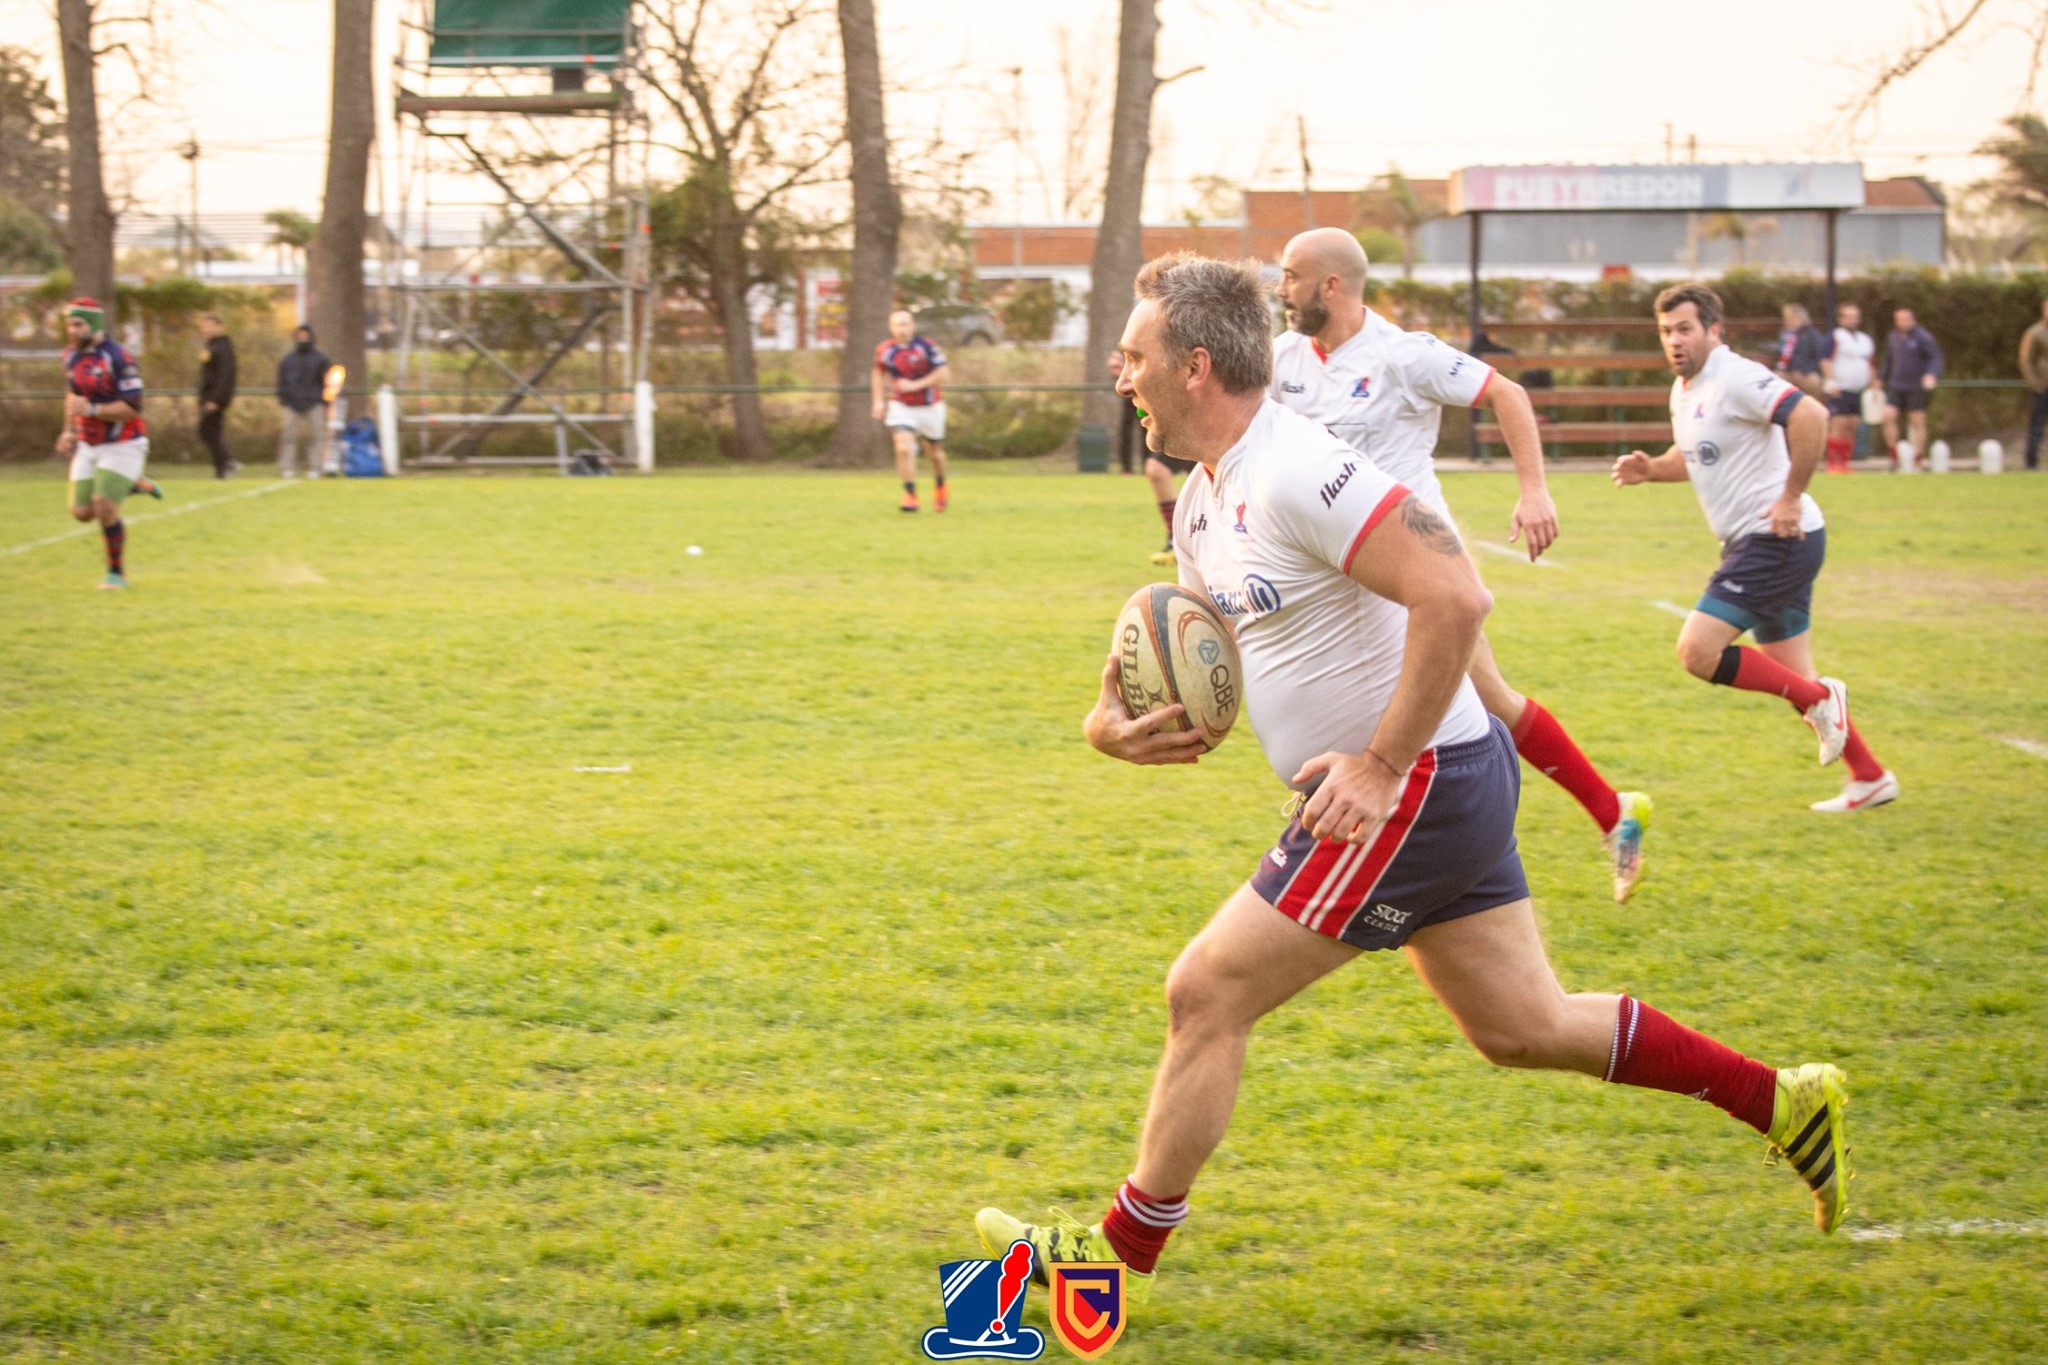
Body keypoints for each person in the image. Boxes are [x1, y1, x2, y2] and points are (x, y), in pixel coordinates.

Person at [975, 256, 1852, 1312]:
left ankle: (1110, 1263)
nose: (1120, 375)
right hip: (1438, 781)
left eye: (1133, 355)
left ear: (1194, 366)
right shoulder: (1204, 498)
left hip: (1413, 787)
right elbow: (1201, 638)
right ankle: (1782, 1101)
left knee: (1205, 990)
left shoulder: (1298, 465)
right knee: (1522, 1026)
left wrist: (1382, 764)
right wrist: (1106, 720)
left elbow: (1456, 595)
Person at [1268, 227, 1650, 902]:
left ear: (1332, 284)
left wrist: (1534, 491)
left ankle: (1603, 813)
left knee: (1487, 699)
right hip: (1332, 563)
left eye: (1291, 276)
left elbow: (1509, 394)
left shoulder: (1402, 354)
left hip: (1416, 563)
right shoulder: (1282, 359)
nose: (1281, 289)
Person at [1613, 283, 1897, 813]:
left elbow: (1810, 415)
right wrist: (1652, 469)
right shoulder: (1685, 389)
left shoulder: (1735, 376)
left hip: (1777, 539)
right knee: (1791, 675)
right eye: (1666, 331)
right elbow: (1695, 456)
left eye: (1684, 329)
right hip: (1760, 542)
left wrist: (1791, 497)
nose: (1674, 340)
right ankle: (1870, 777)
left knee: (1698, 652)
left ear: (1713, 330)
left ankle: (1822, 700)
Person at [56, 297, 164, 590]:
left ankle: (116, 574)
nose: (72, 330)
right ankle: (132, 484)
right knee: (81, 513)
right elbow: (73, 395)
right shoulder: (71, 356)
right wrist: (68, 431)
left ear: (93, 325)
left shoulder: (118, 357)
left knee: (104, 506)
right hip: (88, 444)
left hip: (123, 444)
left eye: (78, 324)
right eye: (69, 325)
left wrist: (92, 410)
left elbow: (132, 407)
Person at [1112, 347, 1196, 566]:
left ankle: (1183, 543)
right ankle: (1178, 541)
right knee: (1163, 472)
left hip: (1197, 420)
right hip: (1179, 420)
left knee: (1166, 472)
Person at [870, 308, 948, 512]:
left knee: (934, 453)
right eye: (897, 325)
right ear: (891, 327)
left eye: (905, 324)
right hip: (902, 405)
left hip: (929, 406)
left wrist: (916, 385)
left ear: (913, 326)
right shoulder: (885, 349)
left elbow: (943, 373)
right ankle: (910, 495)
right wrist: (878, 401)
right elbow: (877, 373)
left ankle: (940, 485)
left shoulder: (927, 346)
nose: (901, 329)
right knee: (903, 447)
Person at [1879, 307, 1942, 466]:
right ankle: (1894, 454)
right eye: (1900, 319)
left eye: (1906, 319)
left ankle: (1918, 457)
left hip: (1916, 386)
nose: (1903, 322)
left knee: (1917, 421)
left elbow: (1935, 357)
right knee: (1887, 416)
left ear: (1913, 319)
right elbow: (1888, 359)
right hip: (1896, 385)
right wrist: (1881, 378)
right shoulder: (1893, 336)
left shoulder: (1922, 336)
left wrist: (1931, 374)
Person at [1819, 303, 1874, 474]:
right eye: (1848, 316)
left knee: (1853, 424)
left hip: (1858, 389)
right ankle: (1833, 462)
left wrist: (1873, 383)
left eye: (1855, 316)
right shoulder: (1836, 336)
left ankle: (1844, 462)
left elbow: (1870, 363)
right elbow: (1826, 360)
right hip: (1840, 387)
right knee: (1839, 423)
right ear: (1841, 319)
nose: (1852, 320)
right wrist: (1830, 382)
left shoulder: (1865, 340)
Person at [276, 324, 332, 479]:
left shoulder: (321, 359)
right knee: (288, 436)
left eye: (305, 336)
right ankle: (287, 467)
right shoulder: (288, 359)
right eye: (299, 336)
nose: (302, 339)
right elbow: (282, 381)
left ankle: (316, 467)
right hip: (292, 402)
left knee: (317, 436)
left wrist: (324, 399)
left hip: (314, 401)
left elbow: (329, 380)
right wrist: (284, 398)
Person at [196, 311, 239, 479]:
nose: (205, 329)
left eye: (209, 326)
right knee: (211, 431)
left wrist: (215, 399)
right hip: (208, 397)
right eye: (203, 326)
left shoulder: (223, 346)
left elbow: (226, 375)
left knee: (206, 430)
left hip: (215, 398)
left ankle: (227, 462)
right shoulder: (210, 346)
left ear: (218, 327)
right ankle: (223, 467)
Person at [1773, 303, 1826, 397]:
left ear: (1798, 318)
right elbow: (1781, 355)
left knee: (1814, 383)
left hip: (1806, 372)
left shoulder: (1812, 334)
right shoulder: (1785, 334)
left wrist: (1803, 371)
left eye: (1788, 318)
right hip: (1787, 371)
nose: (1785, 321)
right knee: (1773, 381)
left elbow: (1819, 357)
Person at [2020, 298, 2048, 471]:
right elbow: (2025, 360)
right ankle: (2031, 463)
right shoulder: (2035, 333)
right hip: (2042, 388)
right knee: (2037, 426)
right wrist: (2035, 384)